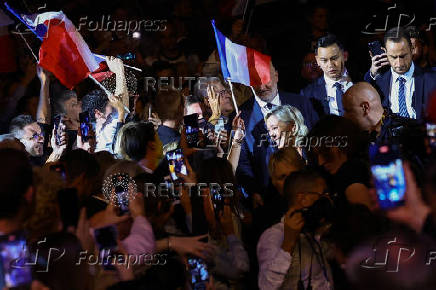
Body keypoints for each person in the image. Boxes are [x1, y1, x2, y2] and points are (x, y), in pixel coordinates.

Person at [236, 61, 317, 207]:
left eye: (265, 79)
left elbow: (318, 141)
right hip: (268, 200)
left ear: (276, 76)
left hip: (310, 187)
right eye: (255, 81)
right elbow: (242, 163)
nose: (262, 87)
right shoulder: (241, 117)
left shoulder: (302, 102)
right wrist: (253, 191)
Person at [257, 169, 333, 290]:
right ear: (303, 198)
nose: (327, 201)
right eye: (322, 195)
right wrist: (288, 244)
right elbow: (266, 286)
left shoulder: (314, 231)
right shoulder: (274, 235)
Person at [364, 26, 436, 120]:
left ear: (411, 49)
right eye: (393, 57)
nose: (399, 64)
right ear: (385, 52)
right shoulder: (379, 80)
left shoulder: (431, 78)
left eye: (403, 56)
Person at [308, 115, 373, 209]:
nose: (320, 162)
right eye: (317, 156)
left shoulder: (352, 179)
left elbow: (365, 221)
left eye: (325, 153)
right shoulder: (337, 178)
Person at [300, 34, 353, 117]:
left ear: (345, 56)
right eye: (324, 60)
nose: (330, 65)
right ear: (318, 61)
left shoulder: (364, 80)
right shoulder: (308, 93)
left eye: (334, 58)